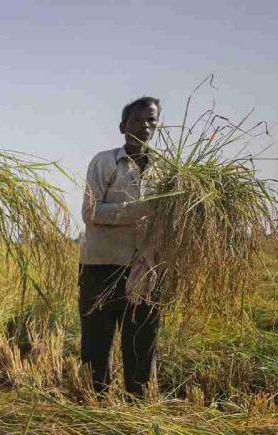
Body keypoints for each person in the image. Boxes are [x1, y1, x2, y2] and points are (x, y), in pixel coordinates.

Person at [79, 96, 162, 397]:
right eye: (138, 120)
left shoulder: (167, 172)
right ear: (122, 126)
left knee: (142, 344)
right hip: (101, 265)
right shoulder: (104, 162)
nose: (145, 126)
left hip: (146, 269)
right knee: (96, 345)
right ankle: (95, 405)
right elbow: (91, 212)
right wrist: (142, 210)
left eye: (151, 120)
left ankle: (138, 410)